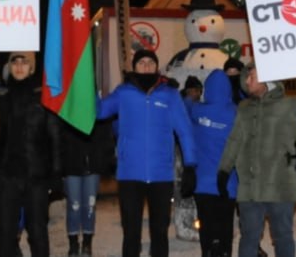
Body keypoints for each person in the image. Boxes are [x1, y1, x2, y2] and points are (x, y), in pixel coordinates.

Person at [96, 49, 198, 257]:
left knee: (160, 231)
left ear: (156, 67)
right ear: (134, 67)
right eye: (141, 62)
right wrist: (87, 88)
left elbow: (185, 131)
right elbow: (99, 112)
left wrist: (190, 164)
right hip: (130, 174)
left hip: (161, 174)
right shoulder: (123, 93)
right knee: (131, 231)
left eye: (150, 62)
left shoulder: (169, 95)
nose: (146, 65)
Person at [217, 61, 296, 257]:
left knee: (283, 236)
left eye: (252, 76)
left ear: (266, 78)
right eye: (246, 77)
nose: (247, 81)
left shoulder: (290, 104)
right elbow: (235, 139)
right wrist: (224, 169)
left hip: (279, 183)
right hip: (250, 184)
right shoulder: (244, 107)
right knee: (249, 237)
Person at [0, 51, 62, 257]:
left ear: (31, 68)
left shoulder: (43, 99)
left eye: (24, 62)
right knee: (6, 233)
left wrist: (56, 175)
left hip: (36, 176)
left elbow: (55, 138)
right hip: (8, 176)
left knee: (37, 232)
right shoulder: (1, 101)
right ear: (9, 67)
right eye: (15, 62)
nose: (19, 66)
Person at [190, 69, 238, 257]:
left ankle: (208, 252)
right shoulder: (236, 113)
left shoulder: (197, 111)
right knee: (226, 225)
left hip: (203, 182)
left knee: (207, 226)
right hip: (229, 182)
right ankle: (225, 252)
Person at [60, 116, 113, 256]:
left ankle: (87, 242)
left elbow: (106, 136)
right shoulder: (68, 109)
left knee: (89, 205)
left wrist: (106, 160)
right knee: (74, 205)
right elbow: (59, 136)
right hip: (71, 162)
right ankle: (73, 243)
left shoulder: (96, 108)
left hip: (93, 162)